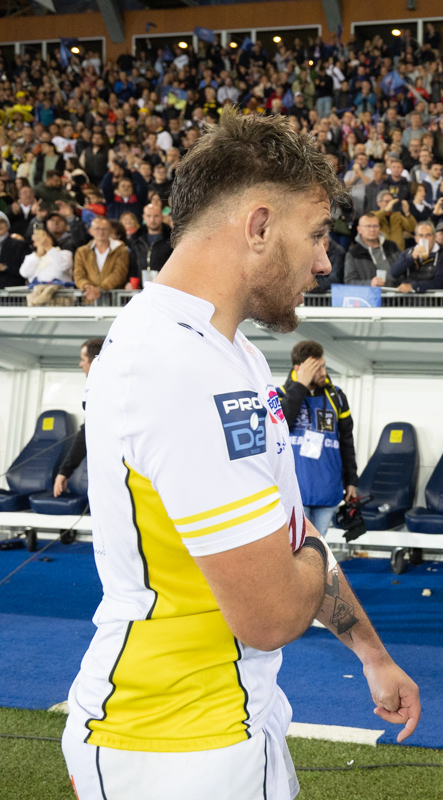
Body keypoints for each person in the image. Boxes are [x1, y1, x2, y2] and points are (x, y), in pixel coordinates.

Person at [62, 113, 419, 800]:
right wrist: (305, 542)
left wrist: (370, 652)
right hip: (175, 740)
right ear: (258, 225)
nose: (323, 261)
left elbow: (291, 540)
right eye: (315, 235)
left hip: (207, 722)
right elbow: (273, 612)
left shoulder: (229, 352)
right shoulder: (178, 364)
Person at [279, 341, 360, 536]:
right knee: (298, 548)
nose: (324, 372)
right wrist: (300, 386)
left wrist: (351, 481)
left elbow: (347, 441)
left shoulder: (337, 396)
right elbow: (281, 425)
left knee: (320, 548)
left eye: (323, 365)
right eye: (317, 368)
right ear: (299, 368)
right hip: (295, 491)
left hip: (328, 489)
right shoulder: (280, 395)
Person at [53, 338, 104, 498]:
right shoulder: (96, 387)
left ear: (95, 361)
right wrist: (65, 471)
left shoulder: (105, 389)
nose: (80, 365)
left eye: (83, 360)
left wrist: (65, 471)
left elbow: (86, 434)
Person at [73, 216, 129, 305]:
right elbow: (78, 275)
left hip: (114, 301)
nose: (101, 232)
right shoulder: (81, 252)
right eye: (97, 229)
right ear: (90, 231)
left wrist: (101, 289)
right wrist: (88, 287)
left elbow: (119, 273)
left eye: (104, 229)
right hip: (89, 299)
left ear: (111, 231)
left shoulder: (121, 250)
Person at [388, 220, 443, 293]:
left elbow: (438, 283)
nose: (424, 239)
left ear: (434, 238)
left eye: (428, 235)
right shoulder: (408, 253)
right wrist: (411, 257)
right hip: (408, 302)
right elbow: (393, 273)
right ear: (416, 238)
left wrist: (413, 286)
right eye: (421, 235)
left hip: (431, 302)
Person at [344, 213, 401, 286]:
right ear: (359, 229)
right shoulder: (353, 254)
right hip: (369, 296)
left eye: (375, 226)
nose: (372, 229)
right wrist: (369, 283)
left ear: (379, 228)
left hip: (396, 295)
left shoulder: (392, 246)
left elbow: (404, 272)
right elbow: (349, 281)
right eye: (368, 226)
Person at [126, 203, 173, 287]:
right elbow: (133, 265)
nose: (152, 219)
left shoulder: (172, 239)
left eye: (156, 216)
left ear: (162, 217)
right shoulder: (136, 239)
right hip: (141, 288)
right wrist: (131, 282)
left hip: (166, 287)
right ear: (143, 217)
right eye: (148, 216)